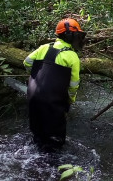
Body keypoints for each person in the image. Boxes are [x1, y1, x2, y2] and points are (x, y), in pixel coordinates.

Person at [24, 18, 86, 149]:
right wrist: (70, 101)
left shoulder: (44, 48)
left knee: (37, 138)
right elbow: (73, 85)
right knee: (55, 142)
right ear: (70, 36)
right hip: (53, 102)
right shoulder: (72, 57)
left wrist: (35, 75)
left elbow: (27, 62)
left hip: (32, 98)